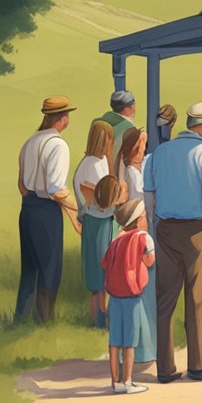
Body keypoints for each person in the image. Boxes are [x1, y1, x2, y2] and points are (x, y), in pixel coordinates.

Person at [143, 101, 202, 383]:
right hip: (196, 227)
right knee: (198, 296)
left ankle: (165, 367)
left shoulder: (160, 152)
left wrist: (154, 221)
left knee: (165, 298)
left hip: (165, 227)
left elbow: (149, 191)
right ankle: (199, 364)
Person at [16, 96, 82, 322]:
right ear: (63, 119)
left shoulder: (30, 141)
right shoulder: (58, 145)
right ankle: (45, 322)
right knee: (50, 268)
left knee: (30, 268)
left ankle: (21, 319)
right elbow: (56, 188)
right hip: (46, 210)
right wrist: (76, 211)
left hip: (27, 209)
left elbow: (22, 186)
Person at [101, 198, 155, 395]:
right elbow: (150, 261)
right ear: (139, 219)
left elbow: (105, 262)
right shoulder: (144, 237)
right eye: (144, 217)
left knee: (114, 342)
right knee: (130, 342)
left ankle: (115, 382)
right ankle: (128, 381)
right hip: (132, 295)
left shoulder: (117, 238)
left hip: (114, 295)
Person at [116, 128, 156, 364]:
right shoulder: (132, 172)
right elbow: (138, 203)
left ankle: (146, 345)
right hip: (141, 229)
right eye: (140, 145)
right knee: (142, 287)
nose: (143, 150)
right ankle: (142, 348)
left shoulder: (137, 169)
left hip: (144, 226)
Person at [77, 120, 120, 327]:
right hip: (97, 221)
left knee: (103, 271)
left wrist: (110, 158)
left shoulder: (100, 161)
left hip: (102, 220)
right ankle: (99, 320)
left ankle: (102, 318)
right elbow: (107, 196)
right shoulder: (91, 165)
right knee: (99, 273)